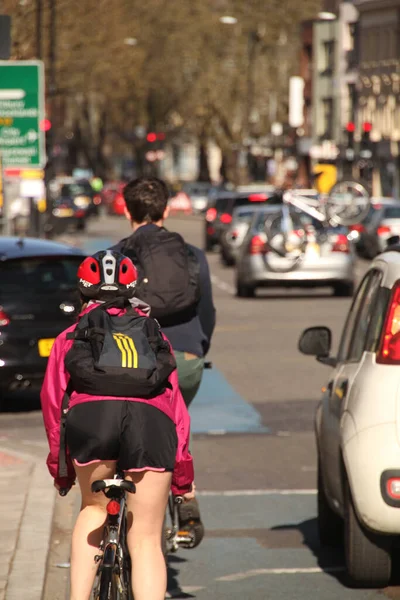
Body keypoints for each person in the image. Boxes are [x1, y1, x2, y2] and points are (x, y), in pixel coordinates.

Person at [41, 250, 194, 600]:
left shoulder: (69, 337)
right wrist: (183, 478)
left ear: (82, 295)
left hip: (91, 422)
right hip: (150, 426)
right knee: (144, 538)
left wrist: (60, 469)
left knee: (92, 509)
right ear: (132, 291)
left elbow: (54, 408)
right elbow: (177, 412)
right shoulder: (153, 335)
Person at [110, 176, 216, 539]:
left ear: (125, 210)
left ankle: (124, 505)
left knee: (126, 430)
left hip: (133, 363)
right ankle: (185, 495)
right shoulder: (192, 255)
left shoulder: (115, 257)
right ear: (167, 209)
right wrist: (198, 350)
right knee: (173, 427)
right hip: (186, 360)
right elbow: (208, 314)